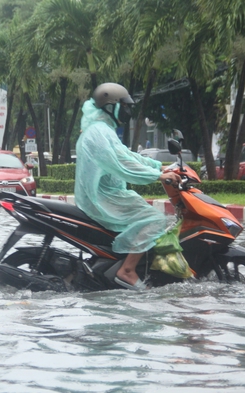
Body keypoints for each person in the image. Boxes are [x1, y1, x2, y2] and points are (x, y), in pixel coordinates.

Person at [74, 82, 181, 291]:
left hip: (109, 194)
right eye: (124, 107)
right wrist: (158, 176)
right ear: (110, 106)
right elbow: (121, 164)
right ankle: (128, 271)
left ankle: (129, 263)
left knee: (146, 214)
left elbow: (127, 155)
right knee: (154, 219)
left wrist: (158, 165)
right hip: (101, 198)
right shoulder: (98, 132)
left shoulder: (103, 129)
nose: (128, 112)